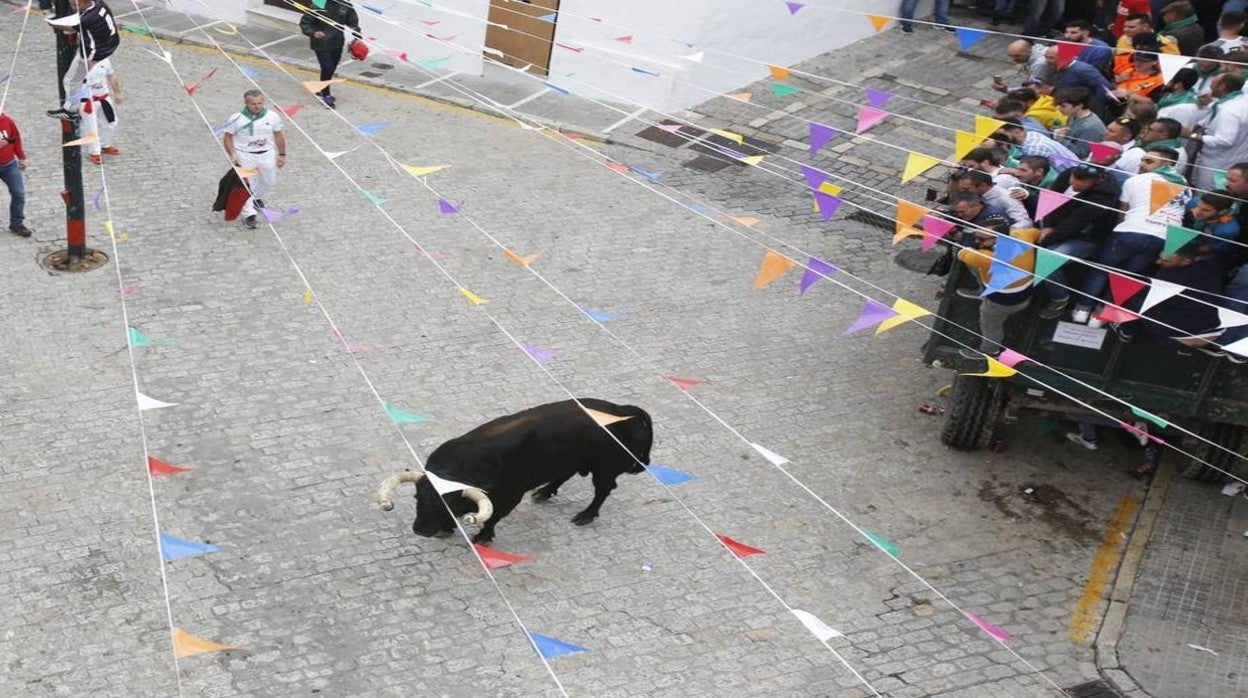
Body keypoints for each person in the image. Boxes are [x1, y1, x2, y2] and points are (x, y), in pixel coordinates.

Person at [1071, 147, 1190, 324]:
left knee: (1101, 271)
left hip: (1130, 231)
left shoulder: (1136, 180)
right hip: (1163, 239)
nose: (1141, 164)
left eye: (1148, 161)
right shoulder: (1185, 186)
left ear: (1167, 164)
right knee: (1126, 277)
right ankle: (1101, 316)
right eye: (1142, 160)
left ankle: (1082, 309)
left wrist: (1122, 228)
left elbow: (1121, 212)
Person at [1035, 164, 1120, 318]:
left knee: (1047, 259)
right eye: (1071, 181)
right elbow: (1051, 197)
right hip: (1058, 225)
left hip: (1088, 237)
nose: (1072, 186)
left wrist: (1041, 243)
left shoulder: (1102, 198)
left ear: (1094, 182)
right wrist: (1046, 226)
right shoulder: (1070, 171)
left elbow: (1072, 226)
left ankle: (1059, 298)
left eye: (1078, 185)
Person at [955, 217, 1040, 357]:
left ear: (999, 239)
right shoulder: (1022, 236)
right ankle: (982, 290)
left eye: (982, 239)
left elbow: (963, 251)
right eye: (977, 237)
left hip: (1002, 302)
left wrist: (964, 235)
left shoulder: (988, 257)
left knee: (989, 323)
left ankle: (990, 350)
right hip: (1026, 293)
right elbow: (1038, 233)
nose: (977, 241)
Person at [221, 90, 287, 230]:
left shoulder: (272, 116)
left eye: (260, 103)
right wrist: (232, 154)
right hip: (245, 155)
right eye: (253, 104)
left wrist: (282, 154)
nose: (257, 106)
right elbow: (228, 136)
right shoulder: (237, 118)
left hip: (266, 153)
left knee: (269, 180)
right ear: (246, 103)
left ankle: (255, 196)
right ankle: (249, 214)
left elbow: (278, 135)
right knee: (246, 185)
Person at [47, 0, 120, 121]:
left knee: (71, 80)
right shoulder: (99, 3)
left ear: (86, 3)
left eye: (76, 5)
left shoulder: (87, 19)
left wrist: (53, 24)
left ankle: (70, 110)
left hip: (93, 53)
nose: (73, 7)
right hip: (110, 43)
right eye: (71, 4)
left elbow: (70, 29)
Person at [1190, 72, 1248, 190]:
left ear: (1222, 86)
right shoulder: (1231, 101)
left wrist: (1194, 135)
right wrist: (1197, 125)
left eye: (1213, 83)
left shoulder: (1230, 111)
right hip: (1226, 157)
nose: (1210, 86)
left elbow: (1225, 140)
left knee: (1206, 192)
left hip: (1218, 162)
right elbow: (1212, 118)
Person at [298, 0, 360, 109]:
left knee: (331, 68)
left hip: (337, 42)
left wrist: (355, 30)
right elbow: (305, 22)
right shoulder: (318, 3)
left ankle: (322, 88)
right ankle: (326, 94)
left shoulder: (345, 5)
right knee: (327, 67)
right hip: (321, 44)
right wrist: (314, 32)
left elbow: (352, 21)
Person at [958, 168, 1035, 228]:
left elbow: (1025, 222)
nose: (962, 192)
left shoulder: (1007, 198)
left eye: (966, 189)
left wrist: (1003, 232)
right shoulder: (973, 195)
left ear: (983, 185)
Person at [991, 120, 1082, 170]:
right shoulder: (1032, 134)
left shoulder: (1032, 149)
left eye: (1002, 135)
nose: (1001, 139)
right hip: (1074, 166)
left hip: (1071, 172)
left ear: (1017, 132)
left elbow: (1036, 171)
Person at [81, 57, 121, 165]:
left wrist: (117, 92)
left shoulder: (105, 59)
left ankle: (104, 144)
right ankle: (94, 152)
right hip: (87, 100)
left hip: (103, 97)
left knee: (112, 122)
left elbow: (111, 75)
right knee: (91, 126)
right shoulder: (79, 62)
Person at [1114, 13, 1180, 77]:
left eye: (1131, 27)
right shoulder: (1123, 39)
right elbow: (1118, 62)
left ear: (1145, 26)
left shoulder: (1166, 43)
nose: (1125, 30)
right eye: (1125, 27)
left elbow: (1172, 69)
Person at [0, 112, 31, 238]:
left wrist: (21, 157)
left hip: (9, 164)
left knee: (19, 193)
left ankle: (16, 223)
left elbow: (16, 138)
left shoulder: (6, 120)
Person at [1054, 87, 1108, 157]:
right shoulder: (1073, 116)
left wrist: (1061, 140)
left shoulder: (1091, 127)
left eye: (1064, 106)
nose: (1059, 108)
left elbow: (1082, 153)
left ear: (1079, 105)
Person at [1115, 36, 1168, 102]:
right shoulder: (1129, 71)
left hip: (1136, 108)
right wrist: (1118, 80)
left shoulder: (1159, 80)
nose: (1138, 63)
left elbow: (1154, 102)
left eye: (1143, 61)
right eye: (1136, 60)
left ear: (1154, 62)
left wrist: (1128, 94)